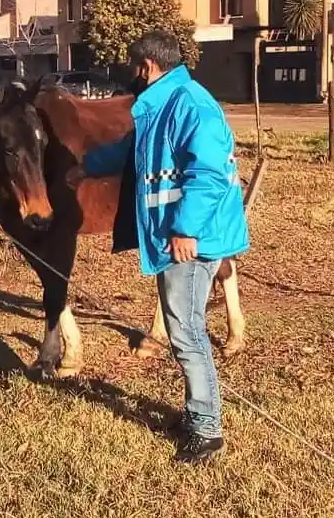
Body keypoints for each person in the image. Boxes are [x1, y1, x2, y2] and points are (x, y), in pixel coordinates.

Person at [66, 29, 250, 464]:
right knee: (184, 327)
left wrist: (186, 230)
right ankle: (195, 414)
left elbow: (206, 174)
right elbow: (134, 154)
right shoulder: (162, 104)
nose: (130, 75)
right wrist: (85, 167)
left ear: (146, 66)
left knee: (186, 332)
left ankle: (207, 430)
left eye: (133, 67)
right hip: (176, 235)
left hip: (191, 239)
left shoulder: (190, 105)